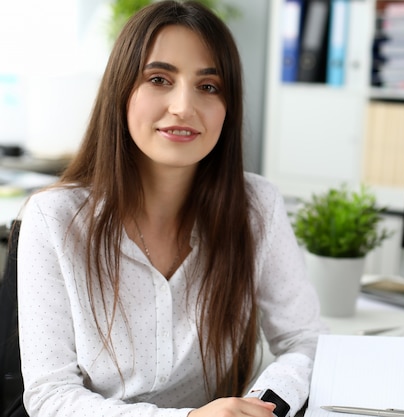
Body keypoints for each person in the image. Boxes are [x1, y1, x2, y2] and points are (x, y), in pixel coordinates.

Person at [16, 2, 327, 417]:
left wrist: (263, 404)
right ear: (121, 91)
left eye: (209, 86)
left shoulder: (256, 206)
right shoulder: (53, 217)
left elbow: (306, 341)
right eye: (159, 79)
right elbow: (50, 396)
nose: (183, 106)